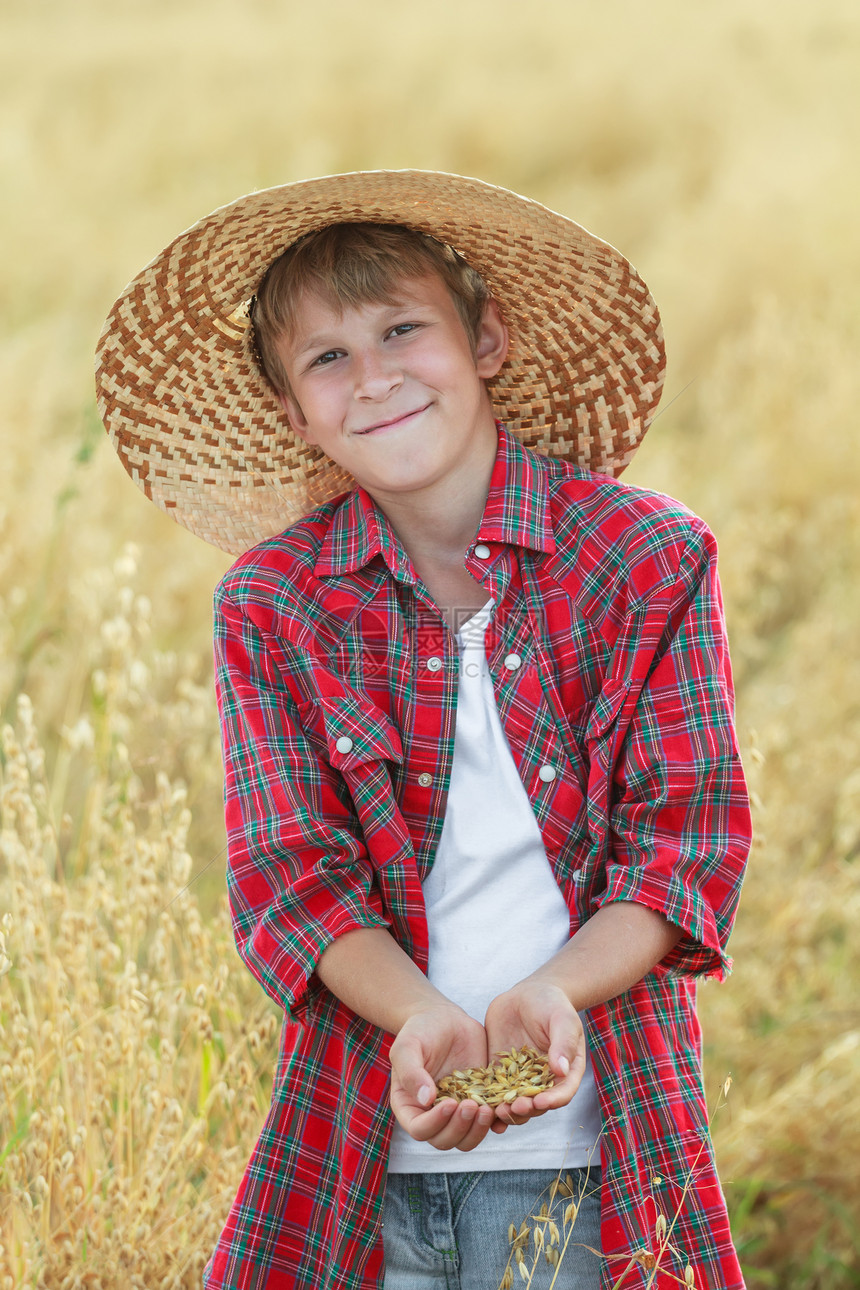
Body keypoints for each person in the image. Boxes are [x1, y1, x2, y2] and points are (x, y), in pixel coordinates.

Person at [96, 171, 752, 1290]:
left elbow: (684, 840)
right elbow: (291, 878)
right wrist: (421, 1022)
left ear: (484, 337)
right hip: (358, 1147)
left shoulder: (643, 557)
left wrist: (550, 995)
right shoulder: (276, 604)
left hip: (594, 1159)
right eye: (327, 358)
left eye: (403, 329)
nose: (376, 377)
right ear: (292, 410)